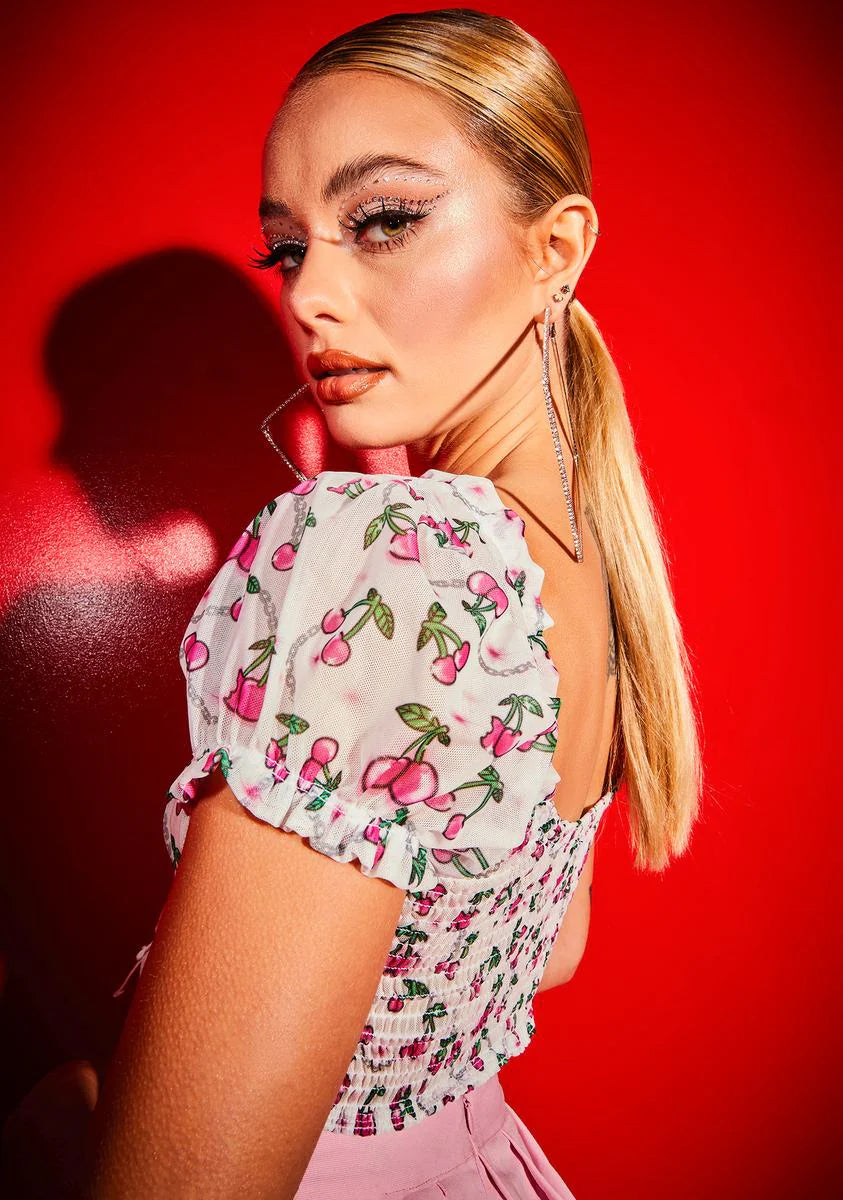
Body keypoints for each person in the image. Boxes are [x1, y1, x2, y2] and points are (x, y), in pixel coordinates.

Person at [82, 9, 702, 1197]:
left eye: (383, 221)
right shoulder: (589, 564)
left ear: (555, 248)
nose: (312, 294)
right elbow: (545, 951)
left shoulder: (388, 559)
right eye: (287, 249)